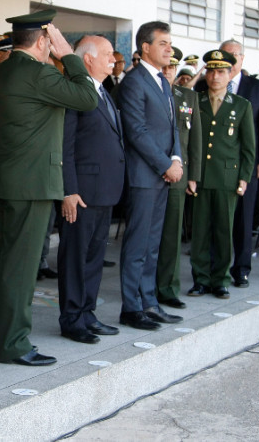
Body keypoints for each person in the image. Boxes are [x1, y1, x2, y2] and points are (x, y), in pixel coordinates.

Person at [0, 10, 99, 366]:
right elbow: (87, 97)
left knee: (5, 265)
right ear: (44, 40)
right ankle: (14, 344)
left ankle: (4, 336)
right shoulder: (39, 73)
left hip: (3, 181)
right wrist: (70, 56)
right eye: (53, 40)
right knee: (19, 268)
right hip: (31, 185)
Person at [115, 21, 183, 331]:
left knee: (153, 243)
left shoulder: (162, 82)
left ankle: (149, 302)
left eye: (170, 44)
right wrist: (165, 165)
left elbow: (172, 128)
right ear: (145, 47)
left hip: (162, 174)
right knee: (138, 242)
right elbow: (137, 132)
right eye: (164, 43)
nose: (170, 49)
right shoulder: (134, 82)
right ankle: (131, 307)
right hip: (144, 175)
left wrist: (177, 158)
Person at [57, 35, 124, 344]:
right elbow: (65, 146)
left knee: (95, 256)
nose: (114, 59)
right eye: (108, 54)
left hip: (104, 190)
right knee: (75, 257)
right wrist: (69, 190)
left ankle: (87, 313)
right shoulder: (75, 92)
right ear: (88, 59)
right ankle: (72, 318)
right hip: (82, 192)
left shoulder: (103, 92)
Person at [188, 50, 255, 299]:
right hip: (201, 177)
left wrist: (244, 178)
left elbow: (248, 147)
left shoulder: (241, 105)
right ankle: (201, 279)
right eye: (211, 71)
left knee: (224, 231)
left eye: (221, 72)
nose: (215, 76)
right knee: (200, 232)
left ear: (230, 74)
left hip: (227, 178)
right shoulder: (196, 101)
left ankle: (221, 280)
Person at [213, 40, 259, 288]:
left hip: (246, 165)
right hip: (218, 165)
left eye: (234, 55)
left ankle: (241, 269)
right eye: (225, 55)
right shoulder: (213, 85)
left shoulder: (257, 87)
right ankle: (217, 270)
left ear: (242, 58)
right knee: (218, 219)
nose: (230, 59)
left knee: (244, 218)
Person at [156, 47, 201, 309]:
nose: (167, 72)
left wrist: (193, 176)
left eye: (171, 68)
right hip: (152, 173)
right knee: (149, 235)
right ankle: (146, 286)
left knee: (172, 235)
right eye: (163, 68)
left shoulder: (188, 97)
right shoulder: (150, 92)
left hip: (178, 176)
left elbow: (195, 140)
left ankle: (168, 288)